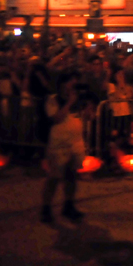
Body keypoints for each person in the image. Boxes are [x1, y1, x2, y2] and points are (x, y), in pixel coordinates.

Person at [40, 81, 87, 223]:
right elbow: (56, 118)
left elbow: (85, 117)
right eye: (68, 86)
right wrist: (69, 103)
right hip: (59, 145)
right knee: (54, 178)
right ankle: (46, 209)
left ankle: (68, 206)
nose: (71, 89)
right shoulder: (52, 100)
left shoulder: (78, 101)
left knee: (71, 176)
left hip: (75, 144)